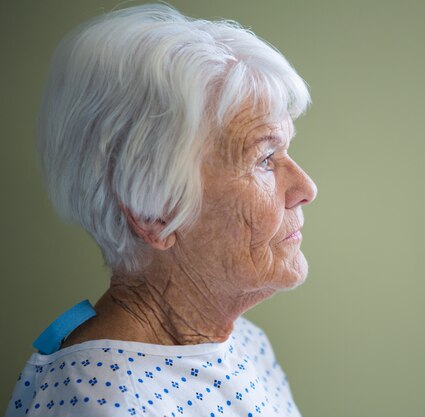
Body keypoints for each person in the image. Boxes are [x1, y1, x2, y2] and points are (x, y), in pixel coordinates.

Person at [5, 4, 316, 417]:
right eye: (264, 158)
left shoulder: (240, 341)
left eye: (286, 150)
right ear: (156, 213)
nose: (305, 188)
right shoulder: (100, 403)